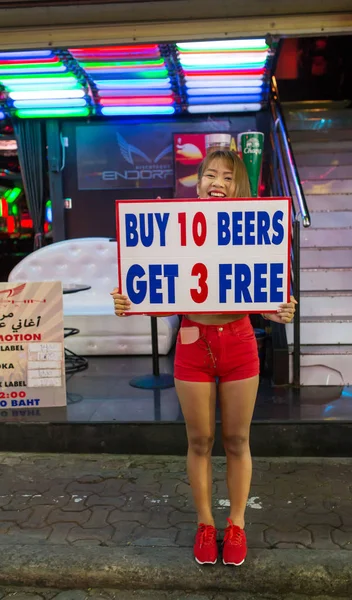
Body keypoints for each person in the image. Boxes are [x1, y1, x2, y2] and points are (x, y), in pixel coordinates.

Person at [111, 149, 297, 567]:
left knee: (236, 440)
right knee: (199, 440)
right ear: (197, 182)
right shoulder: (174, 229)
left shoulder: (256, 231)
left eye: (228, 177)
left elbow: (266, 299)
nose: (217, 182)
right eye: (209, 174)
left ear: (239, 186)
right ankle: (204, 523)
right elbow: (157, 293)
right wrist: (129, 299)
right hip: (193, 344)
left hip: (239, 341)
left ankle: (236, 524)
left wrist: (281, 310)